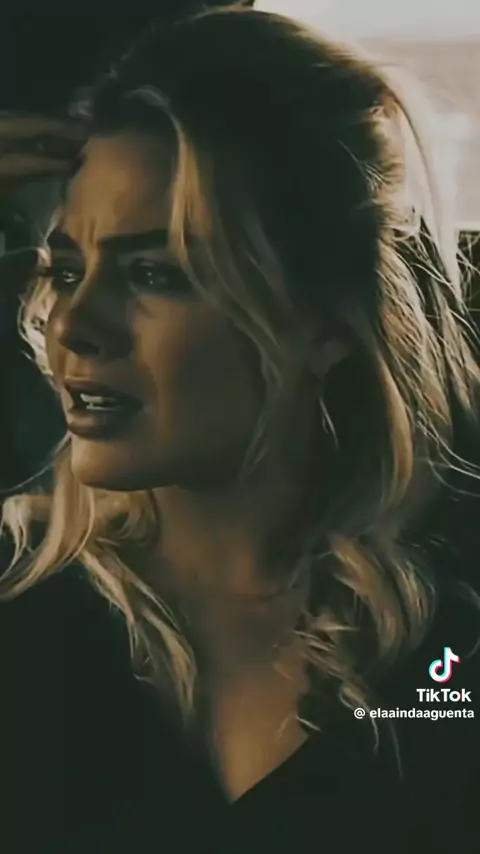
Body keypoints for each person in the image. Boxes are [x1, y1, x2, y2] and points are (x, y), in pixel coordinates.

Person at [0, 5, 479, 851]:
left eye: (154, 273)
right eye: (66, 270)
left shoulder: (444, 662)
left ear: (322, 320)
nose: (73, 324)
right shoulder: (22, 608)